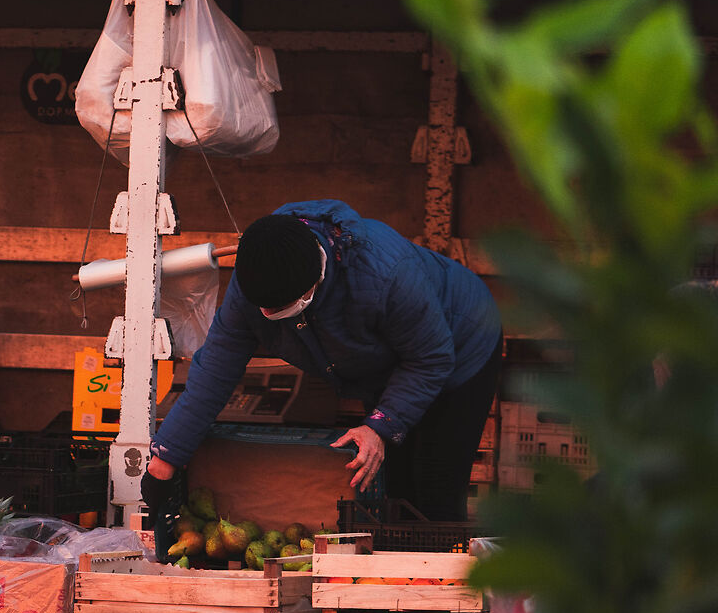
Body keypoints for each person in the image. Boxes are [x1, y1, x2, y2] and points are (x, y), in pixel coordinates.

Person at [142, 201, 503, 524]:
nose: (267, 315)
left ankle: (441, 592)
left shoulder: (386, 274)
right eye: (262, 310)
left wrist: (378, 426)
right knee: (394, 491)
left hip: (460, 345)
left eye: (279, 310)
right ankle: (395, 586)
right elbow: (215, 369)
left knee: (435, 486)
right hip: (384, 364)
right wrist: (166, 457)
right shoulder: (258, 276)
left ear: (311, 287)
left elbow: (429, 359)